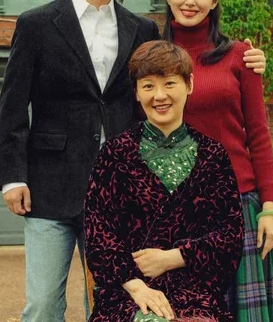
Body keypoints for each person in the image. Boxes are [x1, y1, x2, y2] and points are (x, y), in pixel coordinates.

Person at [0, 0, 266, 321]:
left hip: (122, 195)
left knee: (110, 301)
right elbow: (13, 105)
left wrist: (246, 55)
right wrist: (12, 177)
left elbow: (176, 69)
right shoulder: (36, 24)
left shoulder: (141, 29)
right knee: (43, 303)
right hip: (52, 185)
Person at [163, 0, 273, 322]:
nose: (190, 0)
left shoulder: (240, 56)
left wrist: (269, 209)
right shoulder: (153, 58)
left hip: (237, 204)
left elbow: (259, 135)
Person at [85, 40, 244, 322]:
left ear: (189, 84)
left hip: (196, 293)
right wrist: (136, 287)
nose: (159, 96)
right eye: (148, 86)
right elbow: (99, 236)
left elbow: (230, 237)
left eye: (170, 83)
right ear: (136, 92)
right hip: (127, 292)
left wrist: (172, 258)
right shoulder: (114, 154)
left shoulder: (213, 156)